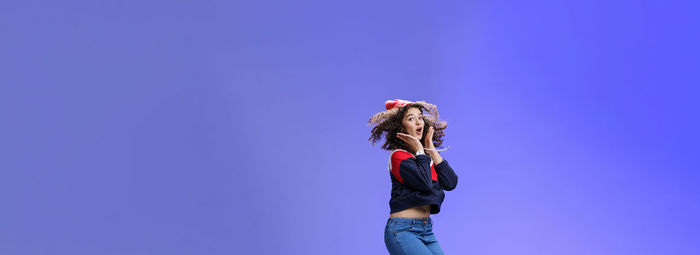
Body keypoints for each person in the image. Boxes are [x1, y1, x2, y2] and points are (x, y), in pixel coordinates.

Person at [368, 99, 459, 255]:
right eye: (411, 118)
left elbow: (450, 183)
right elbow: (424, 183)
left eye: (420, 117)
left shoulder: (425, 157)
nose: (418, 122)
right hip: (403, 231)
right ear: (400, 127)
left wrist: (430, 148)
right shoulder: (399, 156)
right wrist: (420, 151)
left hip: (426, 230)